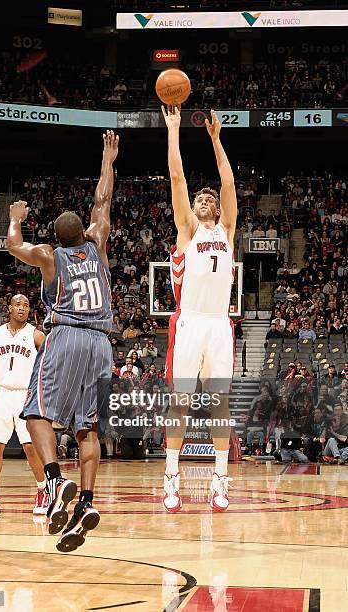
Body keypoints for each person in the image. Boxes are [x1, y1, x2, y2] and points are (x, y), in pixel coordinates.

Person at [7, 130, 118, 552]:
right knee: (88, 428)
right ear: (84, 233)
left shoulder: (50, 257)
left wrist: (16, 216)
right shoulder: (98, 246)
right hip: (101, 345)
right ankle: (86, 502)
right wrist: (108, 159)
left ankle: (54, 480)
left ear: (56, 235)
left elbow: (14, 245)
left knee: (34, 414)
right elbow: (102, 201)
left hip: (68, 336)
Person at [161, 106, 237, 513]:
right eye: (200, 198)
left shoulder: (227, 230)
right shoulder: (187, 230)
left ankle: (220, 477)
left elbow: (227, 180)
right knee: (183, 402)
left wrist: (215, 139)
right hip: (190, 321)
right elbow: (177, 176)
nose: (205, 199)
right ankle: (171, 474)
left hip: (219, 324)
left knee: (220, 402)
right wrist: (174, 131)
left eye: (209, 198)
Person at [0, 295, 48, 518]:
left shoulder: (37, 335)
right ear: (9, 308)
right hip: (0, 392)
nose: (22, 308)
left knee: (30, 447)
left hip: (26, 394)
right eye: (18, 304)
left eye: (26, 305)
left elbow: (46, 369)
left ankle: (42, 490)